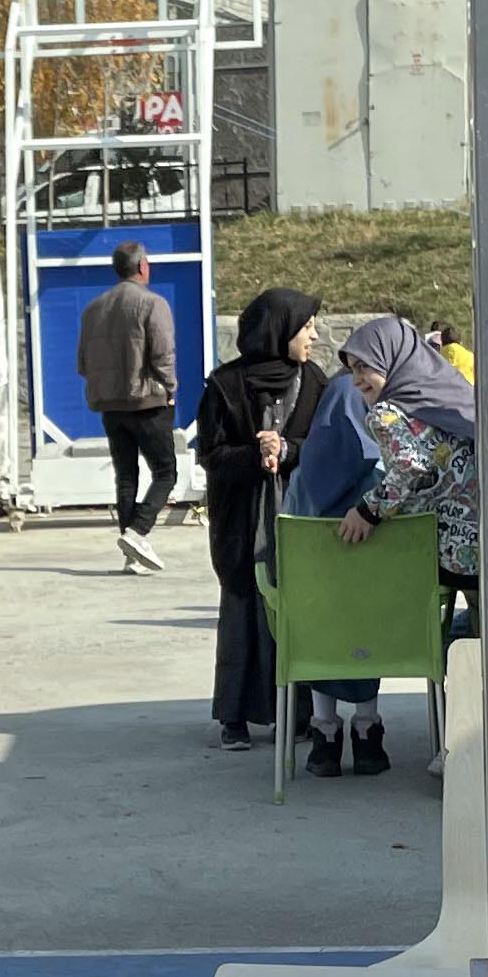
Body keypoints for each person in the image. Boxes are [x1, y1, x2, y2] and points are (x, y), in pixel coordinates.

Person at [281, 314, 479, 780]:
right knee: (485, 645)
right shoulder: (454, 395)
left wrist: (367, 511)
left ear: (391, 361)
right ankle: (478, 744)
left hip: (447, 550)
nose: (357, 381)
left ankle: (456, 747)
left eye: (364, 368)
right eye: (351, 371)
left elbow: (410, 471)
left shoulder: (388, 413)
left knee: (453, 647)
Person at [193, 288, 324, 752]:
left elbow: (328, 449)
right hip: (243, 519)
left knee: (292, 613)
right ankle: (234, 717)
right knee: (243, 610)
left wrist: (287, 450)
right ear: (279, 330)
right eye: (306, 326)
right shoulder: (225, 388)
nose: (314, 334)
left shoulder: (314, 383)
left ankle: (297, 713)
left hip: (296, 516)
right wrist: (255, 455)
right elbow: (210, 455)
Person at [78, 239, 181, 572]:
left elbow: (83, 363)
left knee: (126, 476)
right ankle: (138, 532)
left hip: (111, 406)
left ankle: (130, 554)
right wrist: (170, 387)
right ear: (142, 267)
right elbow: (163, 355)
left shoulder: (94, 309)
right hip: (148, 402)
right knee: (166, 473)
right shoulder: (153, 304)